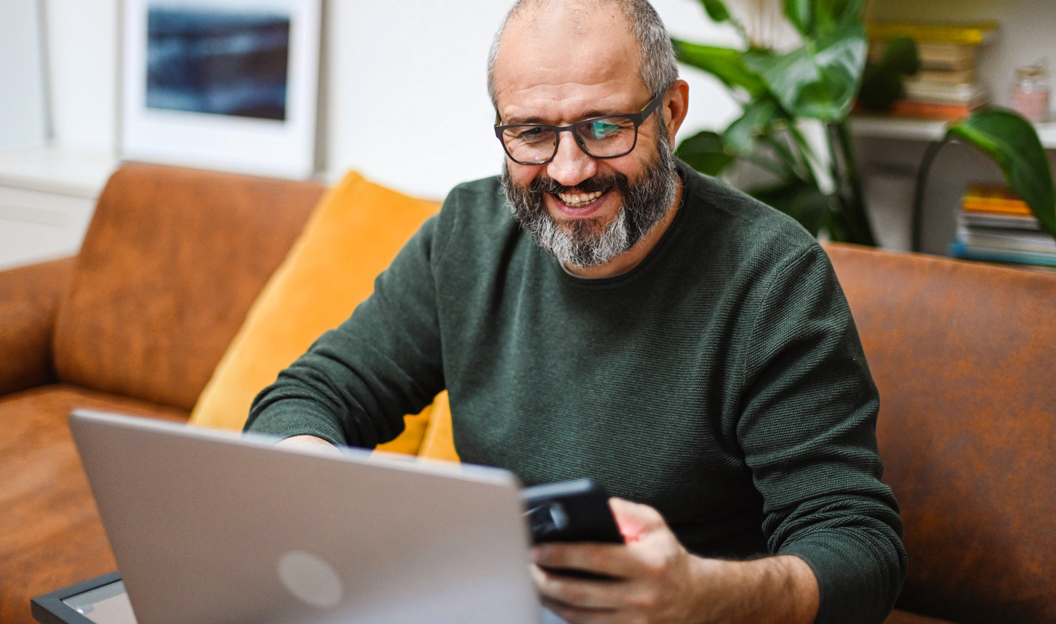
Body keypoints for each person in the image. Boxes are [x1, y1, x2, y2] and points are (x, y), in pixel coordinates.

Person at [245, 0, 907, 622]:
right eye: (532, 132)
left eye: (604, 127)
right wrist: (312, 479)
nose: (568, 170)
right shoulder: (467, 237)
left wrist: (697, 595)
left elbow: (859, 548)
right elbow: (308, 394)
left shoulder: (772, 277)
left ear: (672, 114)